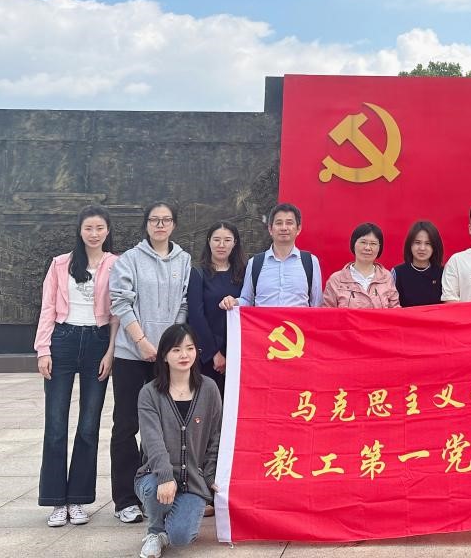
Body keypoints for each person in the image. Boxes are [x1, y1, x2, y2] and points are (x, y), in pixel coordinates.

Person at [35, 205, 119, 528]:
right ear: (80, 230)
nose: (94, 234)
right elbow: (47, 307)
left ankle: (79, 499)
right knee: (56, 424)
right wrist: (43, 349)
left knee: (88, 424)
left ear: (107, 230)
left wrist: (110, 351)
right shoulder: (60, 264)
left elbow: (117, 312)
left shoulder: (116, 264)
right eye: (88, 228)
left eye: (99, 228)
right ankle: (56, 500)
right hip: (63, 340)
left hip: (98, 341)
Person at [109, 201, 192, 525]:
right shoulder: (129, 259)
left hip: (165, 358)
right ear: (146, 224)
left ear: (174, 224)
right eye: (154, 220)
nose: (160, 225)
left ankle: (154, 492)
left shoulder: (183, 260)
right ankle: (125, 500)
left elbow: (183, 304)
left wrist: (169, 346)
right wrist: (142, 342)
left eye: (166, 220)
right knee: (126, 424)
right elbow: (121, 302)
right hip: (131, 355)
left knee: (162, 425)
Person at [134, 323, 222, 558]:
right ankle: (154, 532)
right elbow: (152, 441)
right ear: (164, 355)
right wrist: (165, 477)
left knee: (181, 537)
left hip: (193, 481)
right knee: (155, 489)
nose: (184, 355)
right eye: (176, 350)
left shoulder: (209, 388)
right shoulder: (150, 393)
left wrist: (209, 476)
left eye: (190, 348)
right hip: (154, 476)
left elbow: (215, 437)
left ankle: (168, 524)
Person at [186, 221, 245, 395]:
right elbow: (196, 316)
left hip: (237, 350)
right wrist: (214, 353)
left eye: (227, 240)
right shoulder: (198, 273)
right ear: (208, 241)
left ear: (235, 243)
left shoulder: (243, 272)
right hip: (207, 353)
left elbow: (250, 303)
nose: (221, 245)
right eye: (217, 239)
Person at [226, 203, 322, 309]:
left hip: (297, 321)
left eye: (289, 223)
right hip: (262, 321)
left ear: (298, 229)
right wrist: (234, 302)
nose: (284, 228)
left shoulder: (310, 262)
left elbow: (316, 305)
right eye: (279, 223)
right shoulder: (255, 263)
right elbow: (247, 300)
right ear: (270, 229)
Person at [322, 222, 401, 308]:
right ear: (353, 244)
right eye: (363, 242)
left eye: (373, 244)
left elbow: (395, 311)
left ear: (379, 248)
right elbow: (327, 313)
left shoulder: (386, 277)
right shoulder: (336, 280)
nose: (367, 248)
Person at [391, 220, 445, 307]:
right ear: (410, 244)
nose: (422, 248)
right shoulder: (397, 273)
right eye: (417, 242)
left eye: (428, 243)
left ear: (435, 246)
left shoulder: (443, 273)